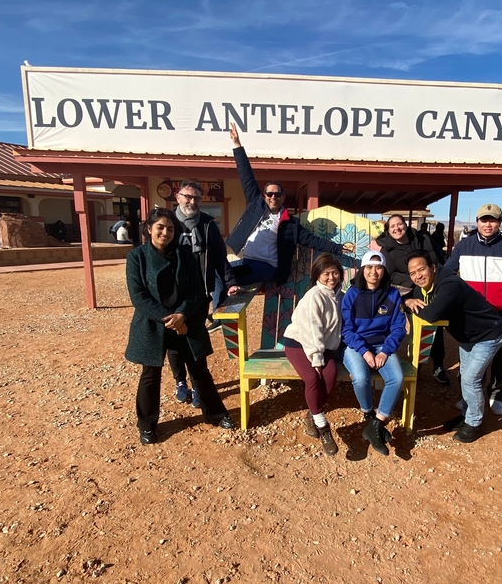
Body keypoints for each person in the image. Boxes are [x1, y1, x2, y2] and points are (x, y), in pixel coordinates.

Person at [124, 207, 235, 445]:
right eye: (160, 227)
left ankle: (215, 413)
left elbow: (197, 290)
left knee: (199, 371)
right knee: (150, 376)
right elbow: (139, 297)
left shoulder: (185, 255)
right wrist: (170, 319)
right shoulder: (137, 257)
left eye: (171, 228)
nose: (165, 232)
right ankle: (147, 425)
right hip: (154, 325)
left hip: (186, 321)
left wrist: (182, 314)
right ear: (149, 229)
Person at [227, 123, 355, 286]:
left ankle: (225, 299)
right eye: (270, 194)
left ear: (283, 198)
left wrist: (339, 248)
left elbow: (312, 240)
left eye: (277, 194)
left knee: (227, 277)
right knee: (219, 274)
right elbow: (246, 177)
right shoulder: (255, 205)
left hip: (265, 266)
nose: (273, 197)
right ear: (264, 196)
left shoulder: (289, 223)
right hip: (247, 261)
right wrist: (237, 145)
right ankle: (219, 306)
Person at [405, 251, 502, 443]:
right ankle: (468, 415)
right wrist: (408, 301)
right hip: (468, 337)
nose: (418, 276)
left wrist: (411, 305)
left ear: (433, 267)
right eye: (412, 273)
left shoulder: (450, 285)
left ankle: (474, 423)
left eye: (421, 269)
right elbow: (412, 300)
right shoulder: (425, 287)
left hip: (488, 335)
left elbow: (431, 314)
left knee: (470, 379)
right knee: (465, 377)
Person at [444, 203, 502, 416]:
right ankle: (470, 397)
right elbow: (446, 274)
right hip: (471, 315)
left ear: (499, 223)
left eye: (492, 220)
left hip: (501, 313)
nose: (487, 224)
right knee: (471, 360)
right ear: (477, 222)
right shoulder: (463, 247)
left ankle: (497, 395)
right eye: (483, 220)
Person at [169, 180, 242, 409]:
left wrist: (230, 282)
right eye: (188, 197)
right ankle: (180, 381)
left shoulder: (209, 224)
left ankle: (197, 384)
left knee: (195, 341)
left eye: (197, 198)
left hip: (199, 293)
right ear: (178, 196)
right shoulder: (167, 223)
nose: (192, 202)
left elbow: (220, 257)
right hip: (171, 295)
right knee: (173, 342)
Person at [341, 250, 407, 456]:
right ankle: (369, 414)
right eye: (369, 267)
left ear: (384, 270)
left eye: (378, 267)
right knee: (361, 378)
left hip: (382, 345)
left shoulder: (392, 295)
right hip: (355, 345)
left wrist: (385, 351)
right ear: (362, 269)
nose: (374, 272)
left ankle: (377, 425)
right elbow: (346, 330)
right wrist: (364, 351)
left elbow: (398, 327)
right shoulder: (351, 294)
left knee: (397, 378)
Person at [282, 253, 345, 456]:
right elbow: (312, 329)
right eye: (326, 273)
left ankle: (311, 414)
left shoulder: (340, 295)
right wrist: (316, 358)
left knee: (330, 375)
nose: (331, 277)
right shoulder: (314, 296)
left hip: (323, 346)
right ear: (317, 274)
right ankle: (323, 426)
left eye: (335, 272)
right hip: (299, 343)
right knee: (312, 377)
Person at [375, 214, 449, 384]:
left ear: (405, 225)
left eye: (399, 224)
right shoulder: (387, 249)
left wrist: (440, 275)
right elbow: (390, 275)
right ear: (388, 230)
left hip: (433, 286)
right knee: (418, 328)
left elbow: (440, 257)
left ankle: (438, 365)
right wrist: (415, 277)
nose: (396, 228)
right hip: (409, 292)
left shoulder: (423, 239)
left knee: (436, 326)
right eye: (392, 226)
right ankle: (417, 365)